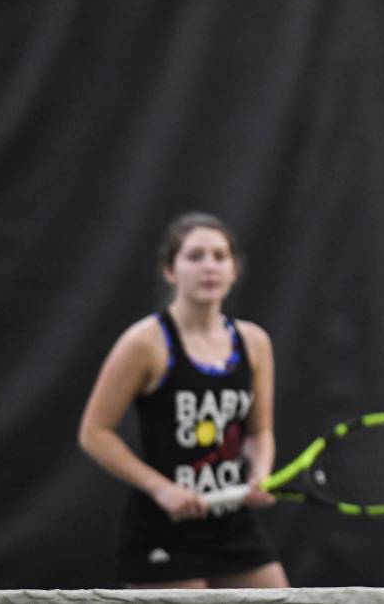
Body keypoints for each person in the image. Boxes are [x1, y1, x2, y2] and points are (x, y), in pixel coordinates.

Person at [79, 212, 289, 588]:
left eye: (219, 256)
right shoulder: (145, 343)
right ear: (170, 270)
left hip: (232, 520)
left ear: (235, 269)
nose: (209, 267)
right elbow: (95, 433)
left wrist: (260, 472)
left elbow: (259, 432)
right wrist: (163, 489)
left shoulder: (254, 342)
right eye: (194, 257)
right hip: (164, 527)